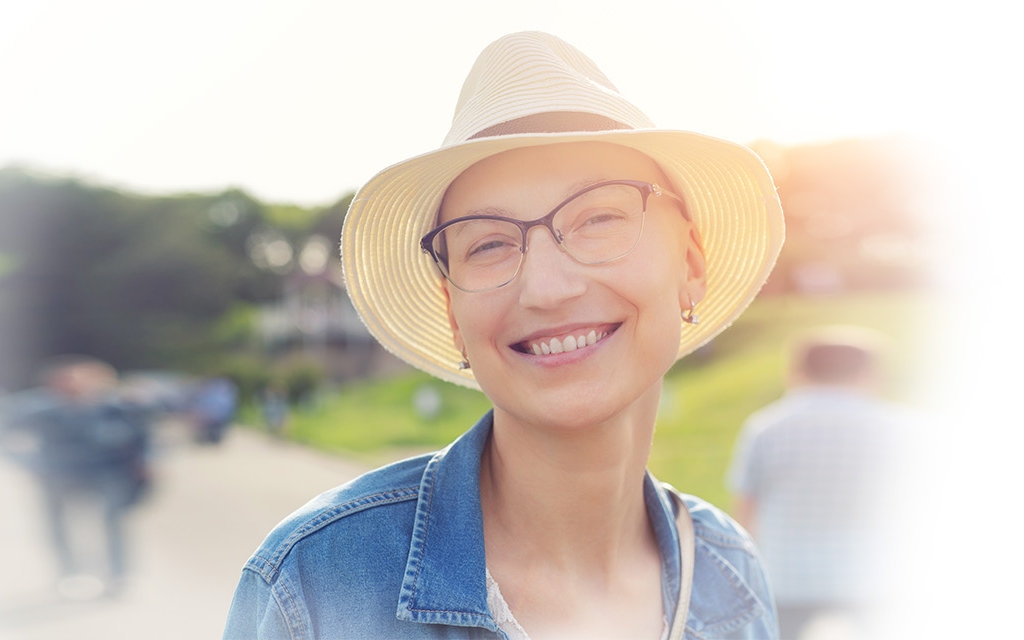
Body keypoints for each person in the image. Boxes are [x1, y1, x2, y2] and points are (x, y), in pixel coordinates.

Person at [225, 31, 785, 639]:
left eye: (599, 217)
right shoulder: (313, 587)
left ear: (690, 267)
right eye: (488, 243)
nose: (545, 287)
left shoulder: (733, 579)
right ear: (451, 311)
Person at [726, 329, 899, 640]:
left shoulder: (765, 428)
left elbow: (746, 514)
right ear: (869, 373)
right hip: (874, 578)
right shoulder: (902, 429)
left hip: (786, 577)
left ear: (798, 371)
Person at [0, 355, 157, 599]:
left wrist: (144, 463)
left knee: (113, 525)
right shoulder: (39, 410)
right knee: (60, 527)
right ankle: (71, 575)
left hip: (107, 473)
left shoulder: (116, 408)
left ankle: (120, 575)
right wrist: (30, 464)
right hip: (58, 474)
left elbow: (142, 437)